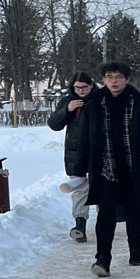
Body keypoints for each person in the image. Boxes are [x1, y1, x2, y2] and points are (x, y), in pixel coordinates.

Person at [76, 61, 140, 277]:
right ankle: (102, 259)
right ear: (103, 80)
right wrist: (79, 167)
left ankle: (135, 248)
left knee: (134, 210)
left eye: (118, 77)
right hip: (106, 168)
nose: (114, 81)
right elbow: (85, 138)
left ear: (126, 79)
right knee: (105, 213)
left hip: (134, 168)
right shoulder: (95, 104)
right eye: (109, 77)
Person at [47, 72, 96, 242]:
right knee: (80, 189)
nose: (81, 90)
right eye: (77, 87)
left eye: (84, 87)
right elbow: (54, 124)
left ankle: (105, 223)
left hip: (99, 152)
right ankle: (80, 225)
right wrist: (67, 110)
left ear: (91, 86)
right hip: (75, 153)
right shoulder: (68, 101)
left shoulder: (100, 100)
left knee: (101, 189)